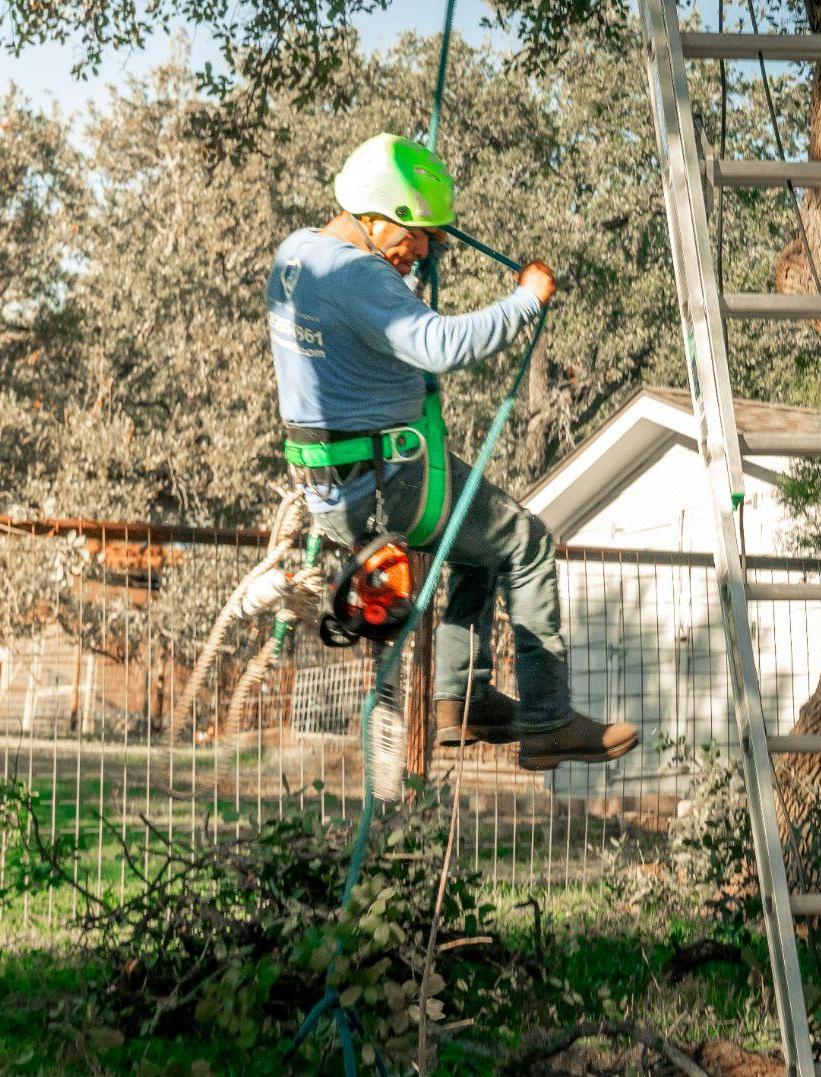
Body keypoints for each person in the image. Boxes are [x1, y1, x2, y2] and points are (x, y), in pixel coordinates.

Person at [267, 132, 638, 772]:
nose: (423, 251)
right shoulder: (360, 276)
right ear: (377, 216)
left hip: (332, 485)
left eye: (434, 238)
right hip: (389, 482)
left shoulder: (297, 255)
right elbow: (441, 345)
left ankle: (460, 701)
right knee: (525, 542)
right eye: (417, 235)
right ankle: (548, 719)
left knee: (476, 552)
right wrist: (527, 299)